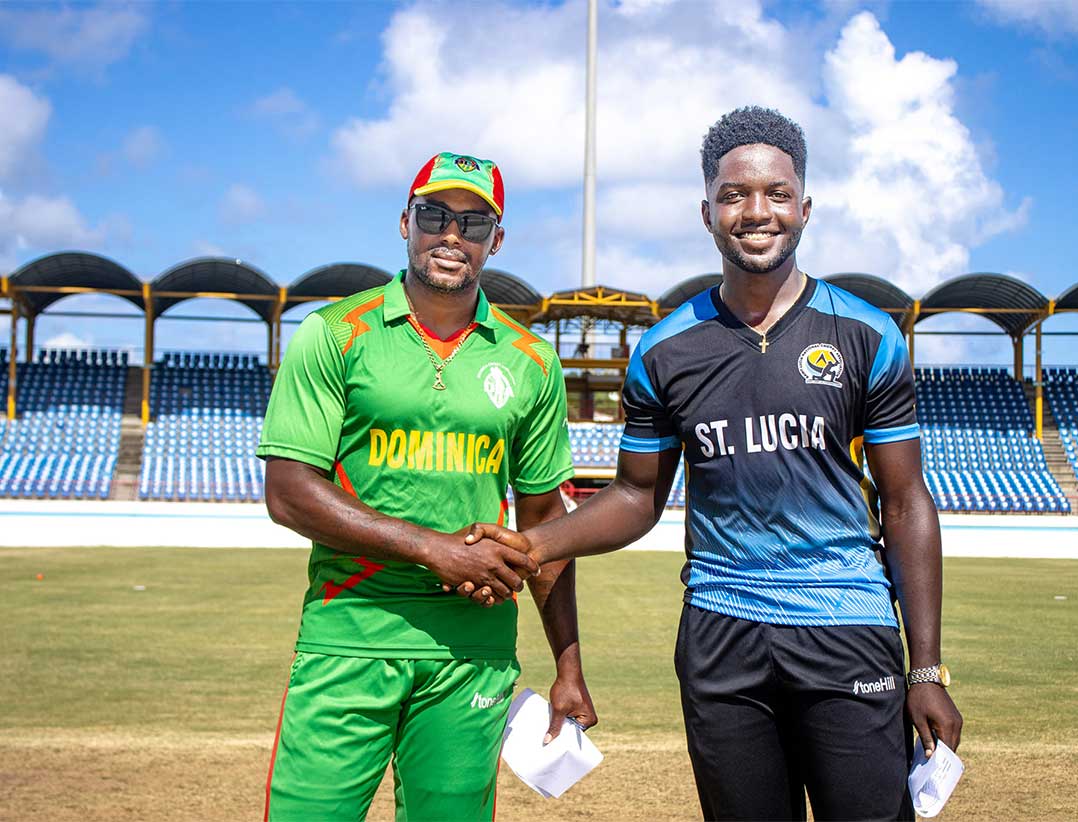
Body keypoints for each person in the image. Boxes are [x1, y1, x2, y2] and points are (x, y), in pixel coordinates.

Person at [466, 107, 962, 820]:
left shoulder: (866, 333)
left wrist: (926, 669)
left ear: (805, 208)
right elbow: (638, 497)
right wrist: (530, 544)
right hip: (720, 635)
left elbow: (907, 502)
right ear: (707, 212)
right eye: (734, 195)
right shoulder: (666, 349)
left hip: (847, 629)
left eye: (776, 193)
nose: (756, 211)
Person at [257, 151, 596, 821]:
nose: (451, 236)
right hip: (349, 632)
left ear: (495, 240)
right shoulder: (334, 334)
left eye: (473, 223)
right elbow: (289, 490)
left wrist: (568, 663)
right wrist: (435, 549)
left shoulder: (530, 360)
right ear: (405, 222)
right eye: (435, 215)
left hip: (472, 649)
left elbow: (543, 521)